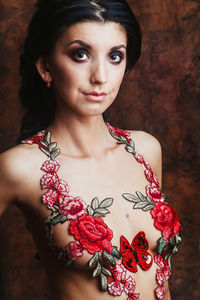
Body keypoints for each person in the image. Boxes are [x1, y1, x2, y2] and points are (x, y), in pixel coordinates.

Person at [0, 0, 181, 299]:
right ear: (46, 67)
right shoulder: (20, 167)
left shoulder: (145, 149)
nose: (100, 77)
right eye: (80, 54)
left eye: (115, 56)